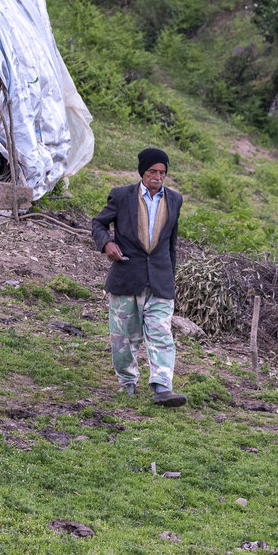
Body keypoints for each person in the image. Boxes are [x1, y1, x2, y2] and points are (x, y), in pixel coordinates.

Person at [90, 147, 187, 407]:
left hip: (160, 280)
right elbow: (98, 223)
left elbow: (171, 245)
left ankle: (162, 386)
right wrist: (106, 244)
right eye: (152, 171)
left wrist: (170, 278)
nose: (158, 177)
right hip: (126, 276)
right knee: (124, 338)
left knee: (161, 333)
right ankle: (127, 382)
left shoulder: (175, 200)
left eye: (162, 172)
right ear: (142, 172)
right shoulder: (122, 196)